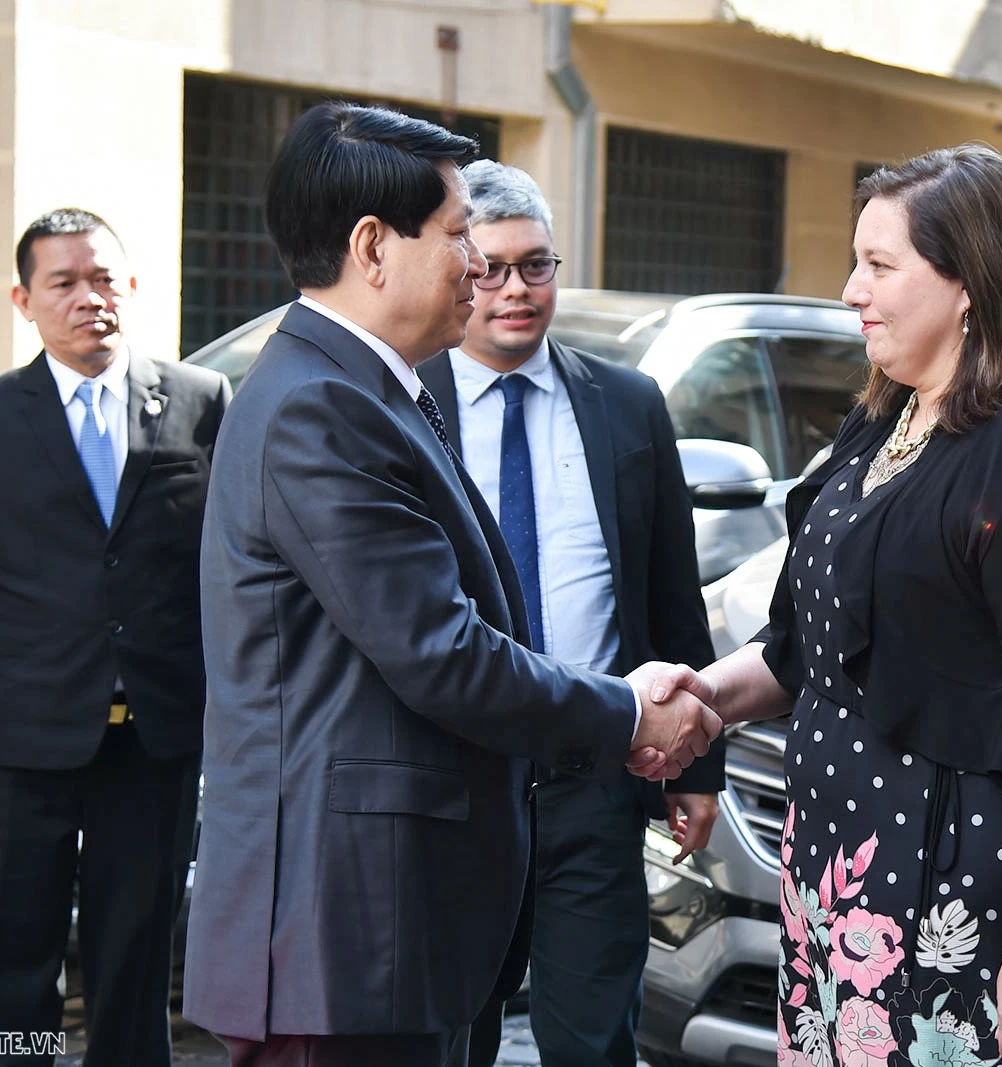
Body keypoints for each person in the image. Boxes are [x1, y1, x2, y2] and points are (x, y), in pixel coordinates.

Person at [180, 103, 720, 1067]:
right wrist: (628, 709)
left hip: (376, 921)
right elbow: (442, 652)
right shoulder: (323, 409)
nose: (478, 265)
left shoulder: (364, 389)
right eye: (461, 235)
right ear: (373, 247)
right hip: (341, 929)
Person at [658, 144, 1002, 1066]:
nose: (850, 289)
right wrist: (698, 701)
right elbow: (809, 649)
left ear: (971, 282)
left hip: (967, 889)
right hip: (843, 871)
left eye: (879, 265)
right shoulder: (888, 412)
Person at [0, 208, 232, 1066]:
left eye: (104, 279)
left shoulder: (199, 402)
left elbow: (229, 566)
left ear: (131, 288)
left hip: (153, 742)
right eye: (65, 283)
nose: (90, 299)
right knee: (10, 971)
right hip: (16, 740)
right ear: (25, 299)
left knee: (133, 967)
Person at [417, 160, 724, 1067]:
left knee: (593, 1042)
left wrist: (694, 763)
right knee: (448, 1039)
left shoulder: (625, 404)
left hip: (592, 773)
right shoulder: (404, 403)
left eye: (537, 265)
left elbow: (672, 589)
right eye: (492, 267)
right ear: (459, 271)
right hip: (451, 785)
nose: (515, 290)